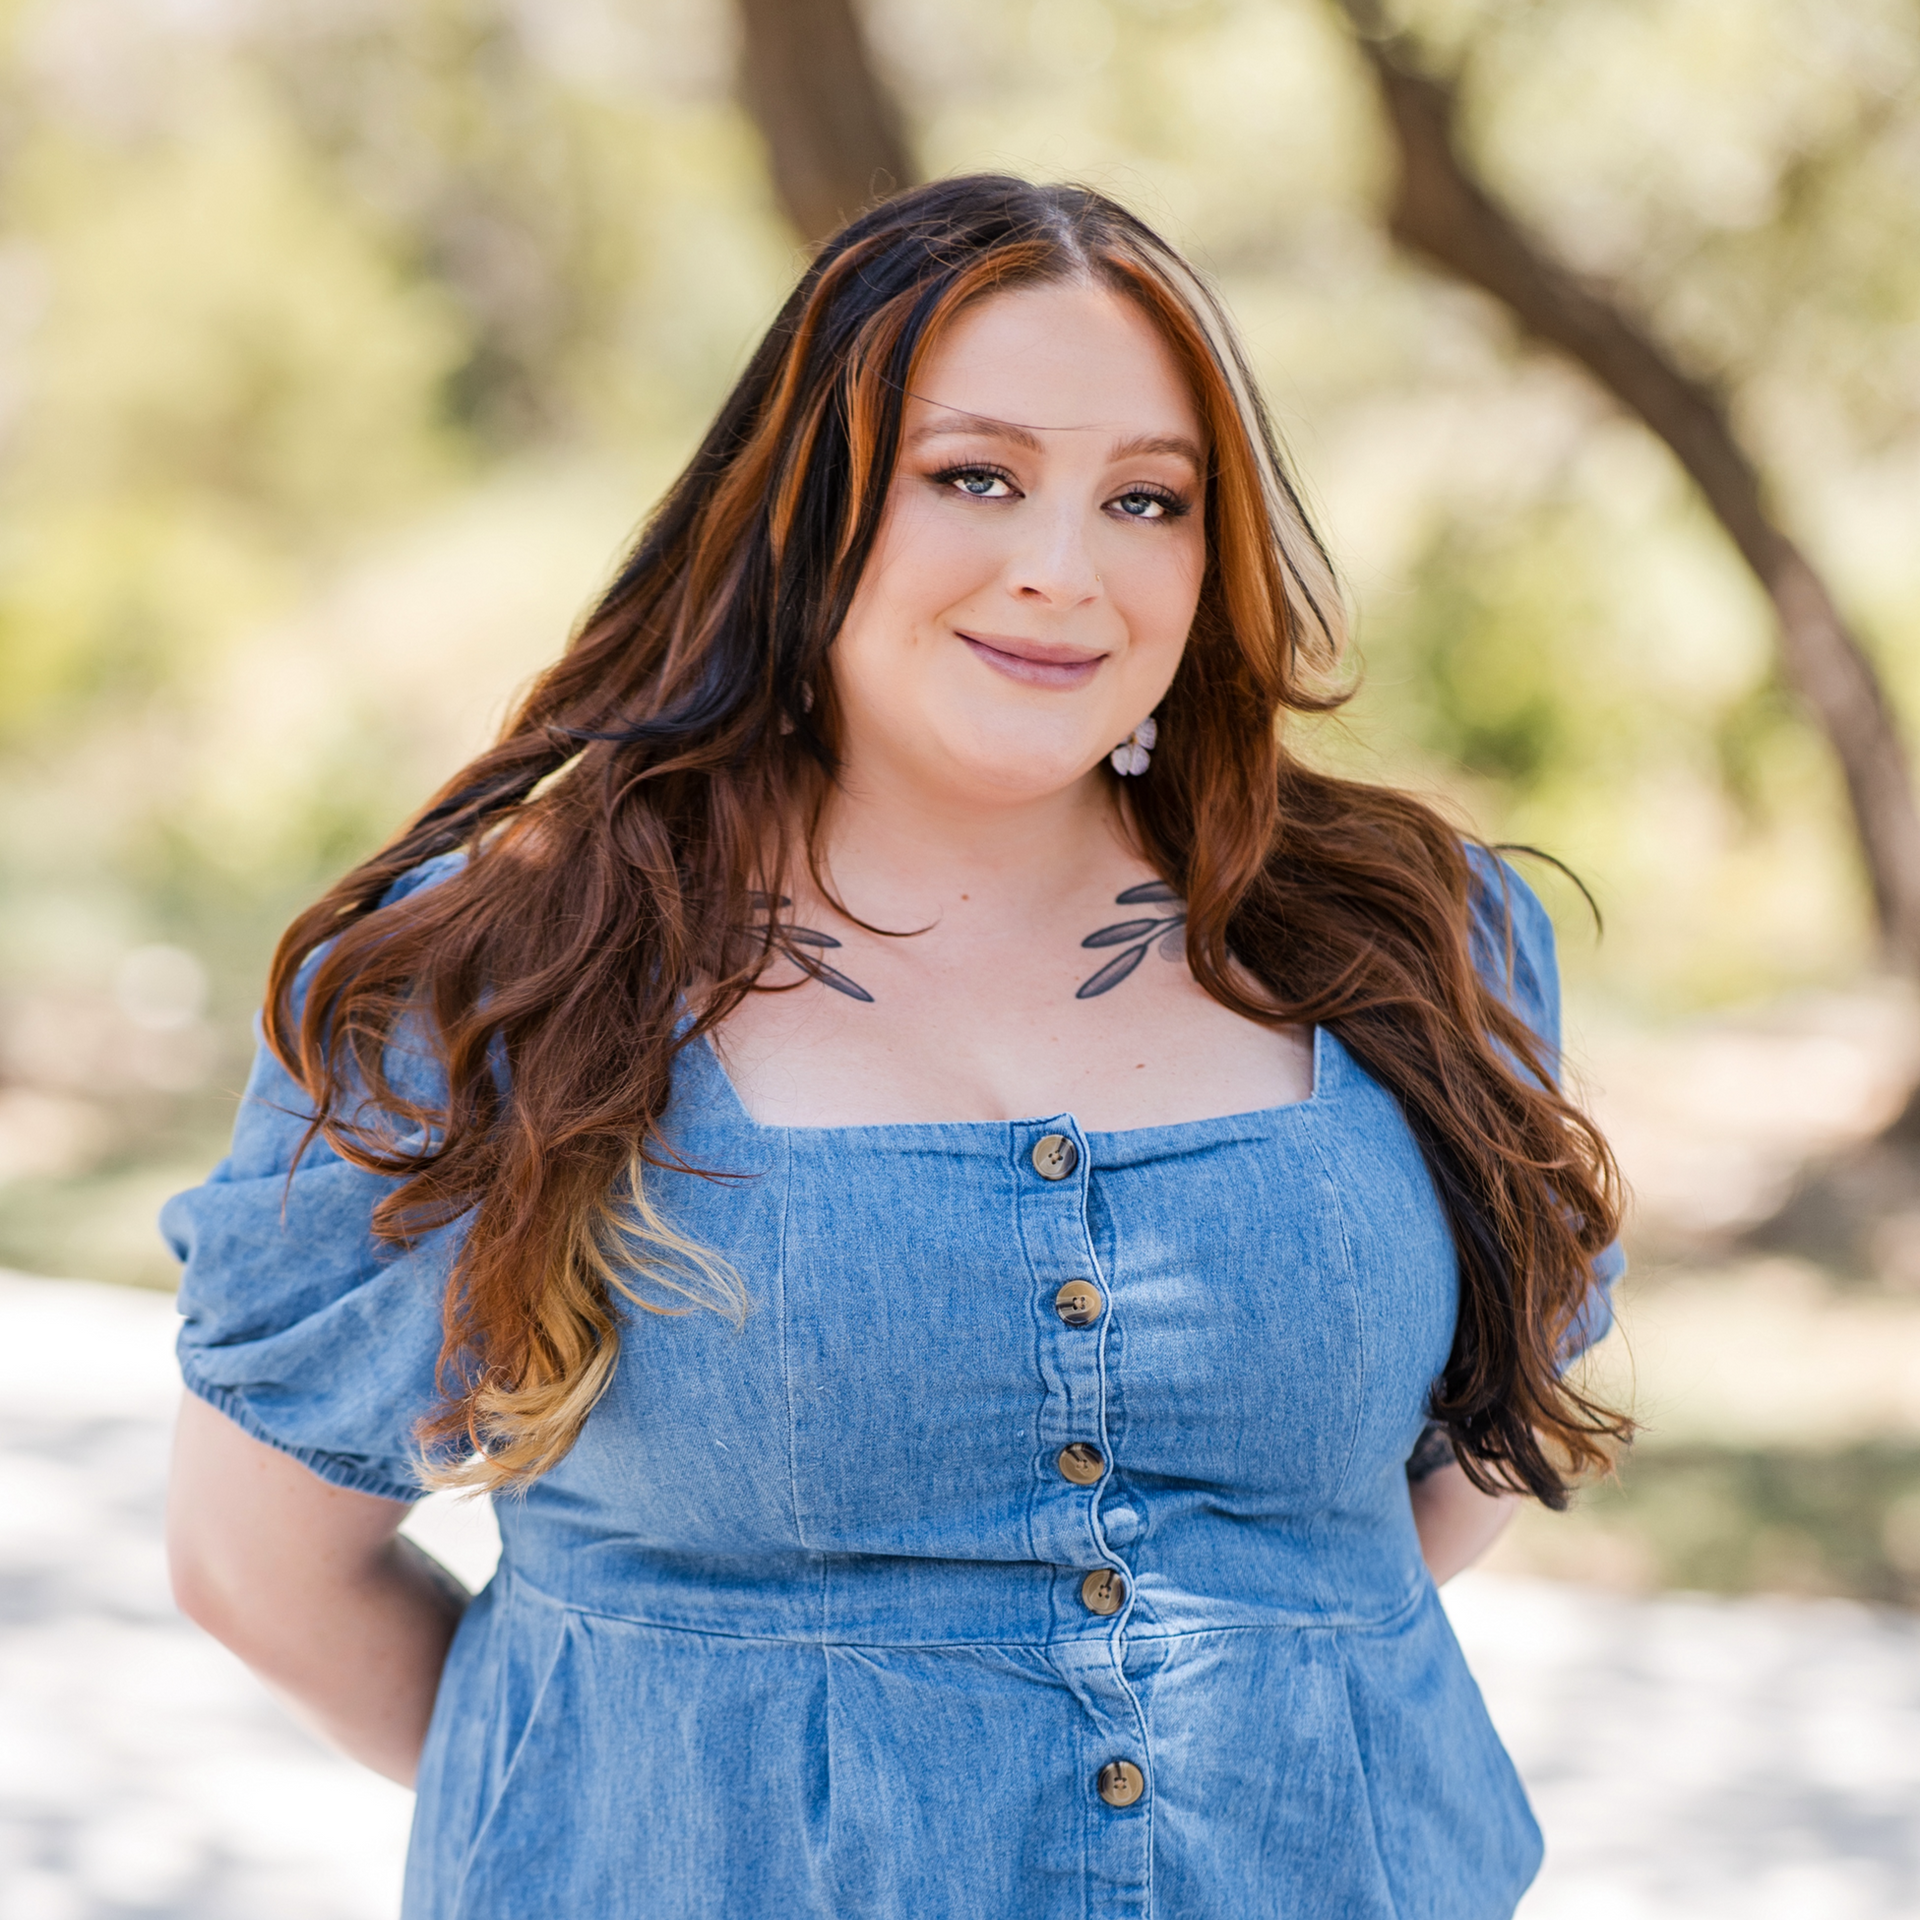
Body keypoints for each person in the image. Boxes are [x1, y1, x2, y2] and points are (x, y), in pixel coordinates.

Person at [163, 175, 1627, 1919]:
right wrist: (636, 1799)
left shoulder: (1412, 939)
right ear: (807, 512)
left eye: (1146, 499)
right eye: (974, 476)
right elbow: (262, 1567)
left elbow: (1436, 1500)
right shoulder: (506, 973)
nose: (1062, 570)